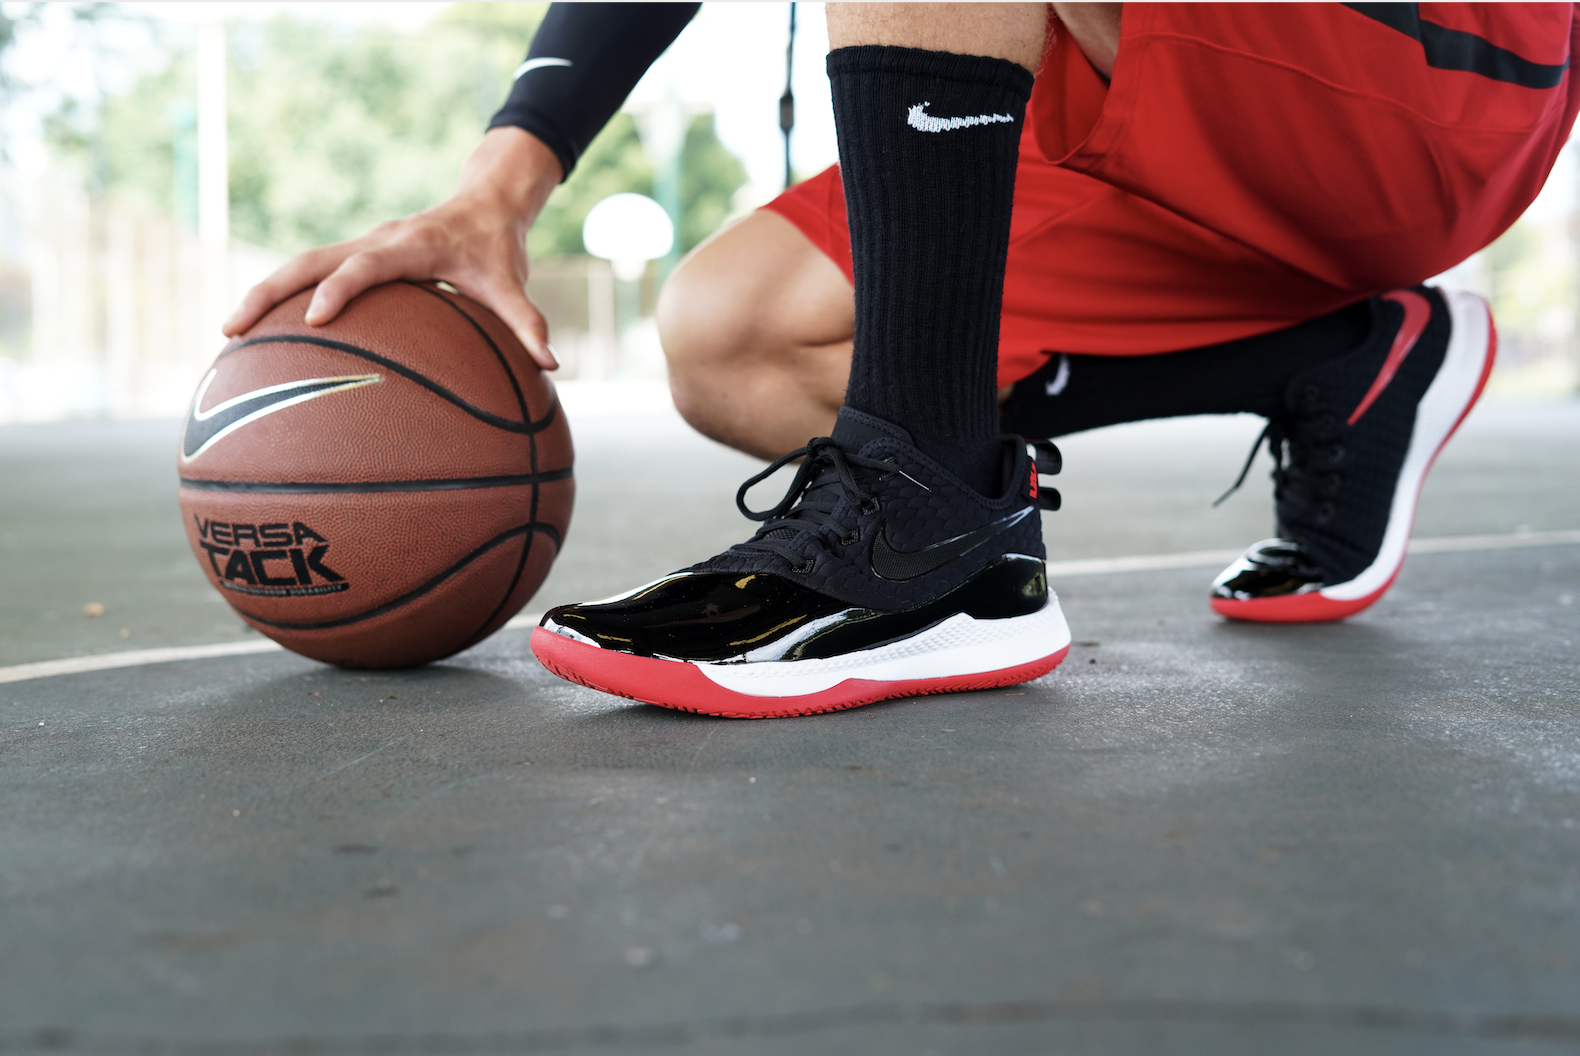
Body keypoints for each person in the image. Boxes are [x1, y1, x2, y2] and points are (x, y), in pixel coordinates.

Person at [226, 3, 1578, 717]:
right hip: (1163, 104)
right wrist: (496, 192)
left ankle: (930, 516)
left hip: (1438, 70)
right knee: (736, 339)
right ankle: (1334, 361)